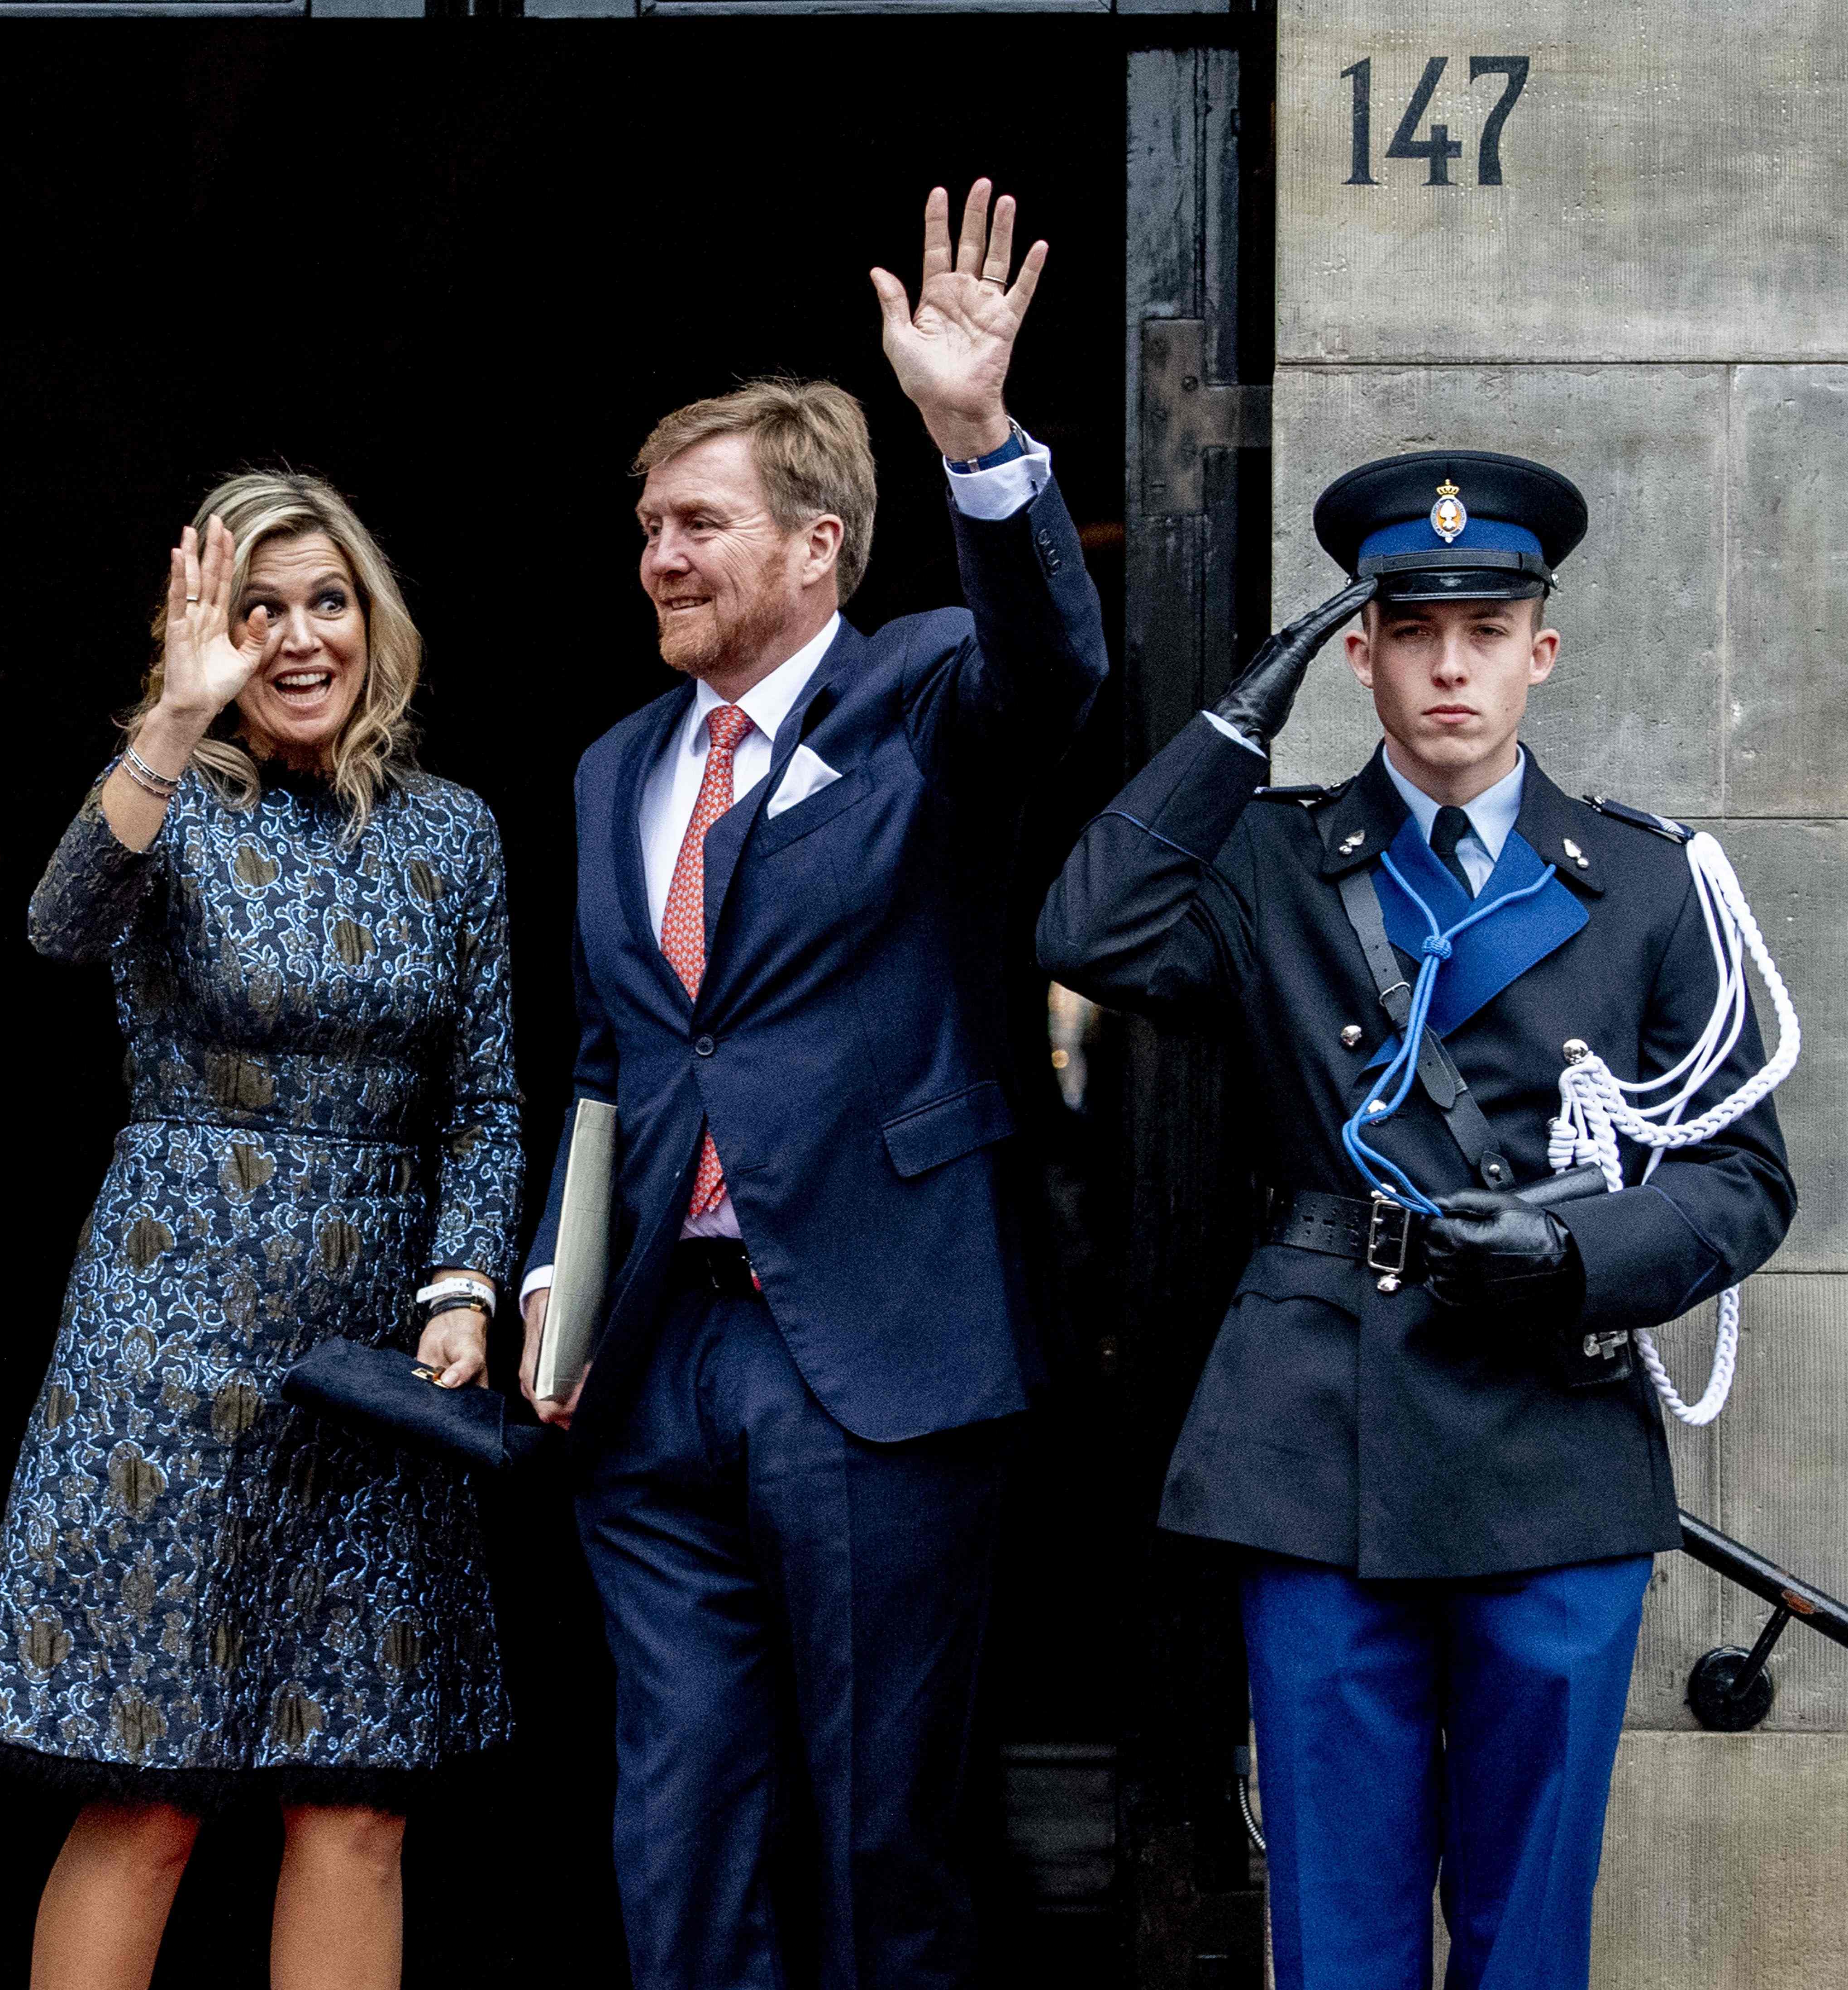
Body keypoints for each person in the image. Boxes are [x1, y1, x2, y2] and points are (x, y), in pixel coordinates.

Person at [1036, 450, 1793, 1990]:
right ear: (1361, 649)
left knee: (1528, 1935)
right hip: (1321, 1442)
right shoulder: (1265, 862)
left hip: (1551, 1438)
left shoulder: (1651, 886)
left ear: (1541, 648)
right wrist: (1236, 719)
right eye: (1411, 629)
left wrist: (1582, 1258)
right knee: (1338, 1932)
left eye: (1488, 627)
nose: (1451, 665)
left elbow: (1740, 1178)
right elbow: (1086, 928)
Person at [510, 182, 1109, 1987]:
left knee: (872, 1833)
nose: (658, 557)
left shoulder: (922, 691)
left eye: (696, 524)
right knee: (675, 1826)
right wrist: (559, 1260)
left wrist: (975, 434)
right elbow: (617, 1051)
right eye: (644, 530)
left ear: (815, 547)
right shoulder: (615, 763)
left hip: (871, 1347)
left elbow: (1052, 669)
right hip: (653, 1372)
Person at [0, 472, 521, 1990]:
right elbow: (59, 923)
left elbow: (486, 1099)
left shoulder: (453, 834)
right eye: (260, 610)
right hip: (174, 1327)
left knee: (357, 1790)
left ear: (372, 621)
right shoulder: (169, 795)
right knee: (148, 1787)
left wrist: (462, 1288)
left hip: (379, 1356)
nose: (297, 638)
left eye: (326, 602)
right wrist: (173, 719)